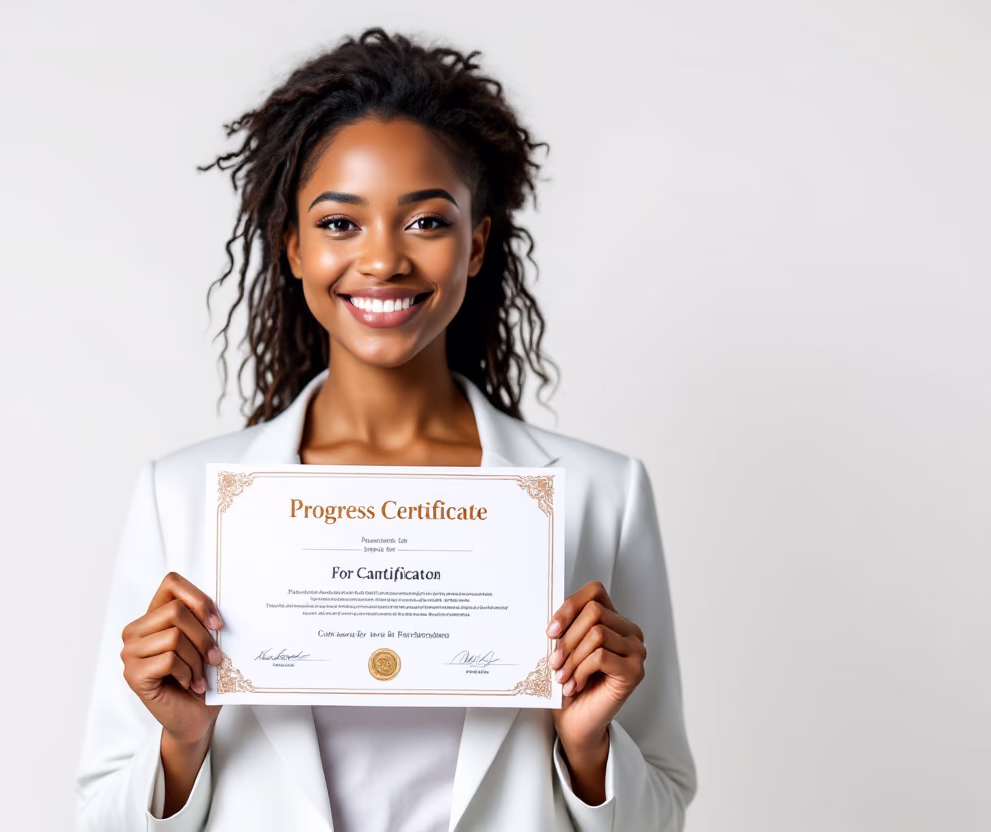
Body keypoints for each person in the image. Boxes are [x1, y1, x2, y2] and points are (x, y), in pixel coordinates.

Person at [75, 27, 696, 832]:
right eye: (340, 224)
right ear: (293, 246)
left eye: (426, 223)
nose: (382, 261)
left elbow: (664, 811)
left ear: (476, 244)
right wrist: (181, 745)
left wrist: (586, 749)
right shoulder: (182, 497)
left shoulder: (601, 495)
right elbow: (101, 817)